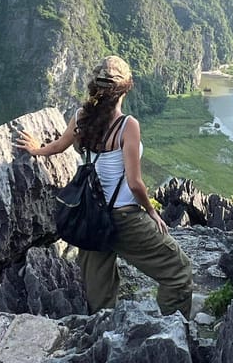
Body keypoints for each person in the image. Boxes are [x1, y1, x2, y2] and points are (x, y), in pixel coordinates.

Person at [14, 55, 193, 318]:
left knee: (100, 296)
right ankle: (173, 330)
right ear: (126, 88)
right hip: (125, 218)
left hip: (89, 216)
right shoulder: (127, 126)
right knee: (179, 274)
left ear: (94, 87)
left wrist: (35, 149)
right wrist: (152, 212)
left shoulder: (81, 117)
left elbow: (59, 146)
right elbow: (134, 183)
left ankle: (104, 337)